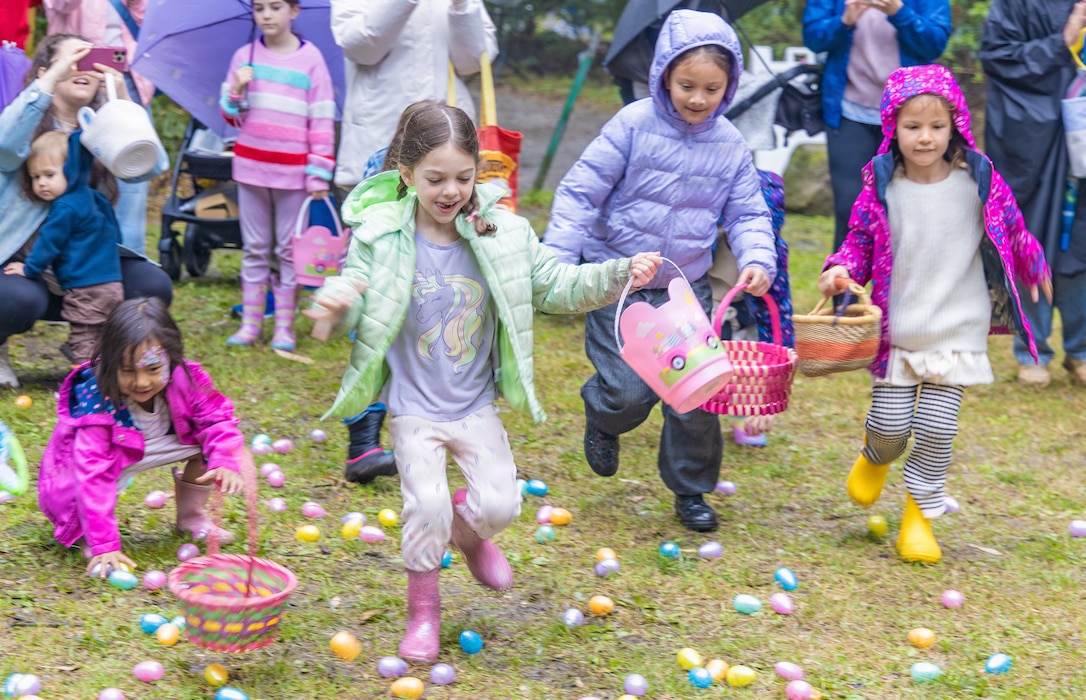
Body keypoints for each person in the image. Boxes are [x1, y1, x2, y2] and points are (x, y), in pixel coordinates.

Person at [306, 101, 662, 663]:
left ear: (479, 171)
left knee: (500, 506)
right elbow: (357, 295)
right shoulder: (380, 237)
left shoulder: (501, 232)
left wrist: (619, 274)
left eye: (463, 177)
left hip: (474, 404)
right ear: (406, 175)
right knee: (426, 504)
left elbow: (553, 285)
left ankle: (470, 537)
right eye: (435, 179)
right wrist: (337, 304)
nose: (450, 191)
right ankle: (424, 612)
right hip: (414, 408)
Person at [543, 10, 777, 533]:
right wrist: (558, 262)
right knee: (630, 391)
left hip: (681, 284)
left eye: (712, 89)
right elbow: (581, 193)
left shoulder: (731, 144)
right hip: (616, 279)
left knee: (694, 391)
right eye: (687, 85)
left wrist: (758, 259)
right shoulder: (631, 124)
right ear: (664, 75)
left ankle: (691, 489)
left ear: (730, 86)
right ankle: (603, 415)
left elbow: (748, 213)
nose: (698, 98)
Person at [819, 64, 1051, 564]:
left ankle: (918, 517)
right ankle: (875, 455)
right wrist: (839, 268)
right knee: (891, 426)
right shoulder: (882, 186)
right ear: (892, 128)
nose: (925, 138)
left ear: (955, 126)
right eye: (912, 127)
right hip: (899, 330)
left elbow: (1013, 230)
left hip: (955, 328)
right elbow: (858, 241)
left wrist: (1032, 264)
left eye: (936, 127)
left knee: (938, 429)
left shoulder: (978, 182)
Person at [0, 34, 172, 390]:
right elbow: (3, 145)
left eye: (91, 58)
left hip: (86, 266)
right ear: (48, 71)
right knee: (15, 299)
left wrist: (121, 100)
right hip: (26, 262)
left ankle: (92, 345)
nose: (85, 66)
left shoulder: (102, 125)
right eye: (75, 58)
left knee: (153, 285)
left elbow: (151, 167)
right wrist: (45, 82)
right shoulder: (26, 121)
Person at [37, 297, 246, 577]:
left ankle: (191, 518)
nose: (141, 382)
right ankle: (91, 536)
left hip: (145, 447)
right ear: (110, 362)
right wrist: (104, 544)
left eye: (153, 369)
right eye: (127, 371)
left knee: (207, 445)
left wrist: (223, 459)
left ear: (170, 358)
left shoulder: (185, 378)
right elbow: (92, 472)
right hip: (98, 463)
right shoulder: (97, 401)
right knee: (84, 510)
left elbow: (217, 418)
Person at [219, 0, 336, 352]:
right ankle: (252, 324)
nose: (266, 15)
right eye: (259, 8)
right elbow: (231, 118)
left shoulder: (311, 59)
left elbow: (322, 120)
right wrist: (237, 89)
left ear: (294, 12)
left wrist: (318, 175)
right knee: (255, 248)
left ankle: (283, 327)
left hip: (294, 175)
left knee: (288, 250)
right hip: (251, 170)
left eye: (274, 7)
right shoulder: (245, 57)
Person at [980, 0, 1086, 387]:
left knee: (1082, 245)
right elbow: (997, 56)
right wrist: (1062, 41)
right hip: (1035, 139)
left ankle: (1081, 351)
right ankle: (1032, 350)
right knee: (1032, 239)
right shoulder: (1014, 4)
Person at [803, 0, 951, 252]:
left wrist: (898, 12)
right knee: (849, 212)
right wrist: (844, 21)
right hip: (850, 111)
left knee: (907, 208)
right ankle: (846, 289)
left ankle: (903, 288)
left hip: (909, 117)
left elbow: (935, 41)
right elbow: (813, 37)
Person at [329, 0, 497, 189]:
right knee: (382, 212)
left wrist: (461, 6)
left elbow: (474, 61)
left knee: (448, 208)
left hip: (447, 136)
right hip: (380, 133)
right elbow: (361, 49)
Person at [44, 0, 156, 255]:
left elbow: (149, 21)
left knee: (133, 179)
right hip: (74, 78)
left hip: (124, 77)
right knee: (71, 174)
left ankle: (130, 263)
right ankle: (61, 261)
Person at [3, 131, 124, 364]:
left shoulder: (64, 207)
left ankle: (86, 386)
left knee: (83, 337)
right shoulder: (94, 198)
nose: (41, 183)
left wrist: (29, 269)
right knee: (105, 334)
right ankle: (106, 378)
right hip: (112, 283)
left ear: (70, 169)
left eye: (49, 174)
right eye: (35, 177)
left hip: (84, 287)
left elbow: (49, 243)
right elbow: (114, 231)